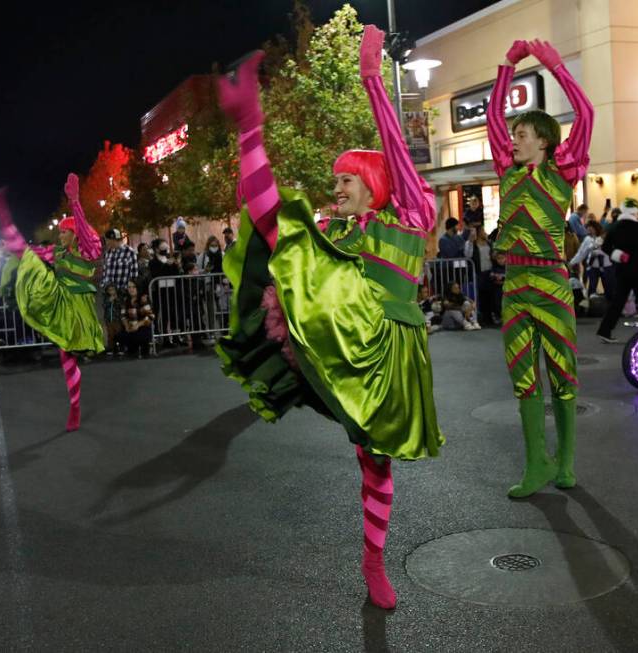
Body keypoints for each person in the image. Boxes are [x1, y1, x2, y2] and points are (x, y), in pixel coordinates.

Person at [216, 28, 443, 610]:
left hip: (390, 351)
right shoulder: (336, 233)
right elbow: (270, 220)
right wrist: (250, 133)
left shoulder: (412, 217)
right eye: (336, 178)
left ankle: (374, 559)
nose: (334, 186)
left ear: (373, 184)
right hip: (343, 341)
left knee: (375, 458)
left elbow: (397, 149)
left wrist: (373, 78)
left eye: (345, 178)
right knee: (290, 236)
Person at [487, 37, 593, 495]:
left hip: (551, 280)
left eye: (523, 135)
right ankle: (537, 464)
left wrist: (555, 64)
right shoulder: (507, 171)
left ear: (545, 142)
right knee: (522, 376)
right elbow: (493, 117)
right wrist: (506, 66)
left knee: (563, 373)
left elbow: (585, 114)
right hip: (515, 283)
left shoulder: (563, 171)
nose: (513, 140)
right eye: (514, 135)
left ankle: (564, 462)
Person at [0, 175, 105, 431]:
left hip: (80, 308)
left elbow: (84, 232)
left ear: (73, 233)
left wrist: (75, 202)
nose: (60, 235)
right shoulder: (58, 252)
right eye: (59, 231)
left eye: (64, 232)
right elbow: (25, 251)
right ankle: (75, 406)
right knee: (30, 262)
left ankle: (75, 407)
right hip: (60, 301)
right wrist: (5, 226)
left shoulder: (89, 248)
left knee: (70, 354)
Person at [595, 198, 638, 343]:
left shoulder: (614, 227)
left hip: (622, 269)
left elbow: (605, 247)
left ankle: (604, 330)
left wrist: (617, 255)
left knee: (618, 301)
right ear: (635, 212)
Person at [116, 279, 155, 358]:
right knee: (119, 336)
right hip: (130, 328)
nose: (131, 289)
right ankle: (130, 352)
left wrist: (138, 325)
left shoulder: (143, 299)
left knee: (141, 336)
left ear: (138, 288)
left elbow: (151, 316)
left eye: (134, 287)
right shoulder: (125, 300)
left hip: (142, 327)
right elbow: (123, 315)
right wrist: (126, 326)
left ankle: (145, 352)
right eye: (129, 287)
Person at [100, 227, 138, 293]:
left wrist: (130, 291)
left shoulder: (130, 252)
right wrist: (103, 285)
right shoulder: (108, 253)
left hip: (123, 292)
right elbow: (104, 272)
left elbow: (134, 274)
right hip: (109, 293)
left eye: (107, 240)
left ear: (113, 239)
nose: (106, 242)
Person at [102, 284, 123, 356]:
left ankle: (120, 347)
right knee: (110, 335)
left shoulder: (118, 297)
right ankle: (111, 348)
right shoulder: (106, 298)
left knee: (118, 333)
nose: (112, 292)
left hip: (117, 319)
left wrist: (116, 299)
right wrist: (109, 301)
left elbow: (121, 305)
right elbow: (104, 305)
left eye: (113, 290)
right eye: (110, 290)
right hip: (109, 320)